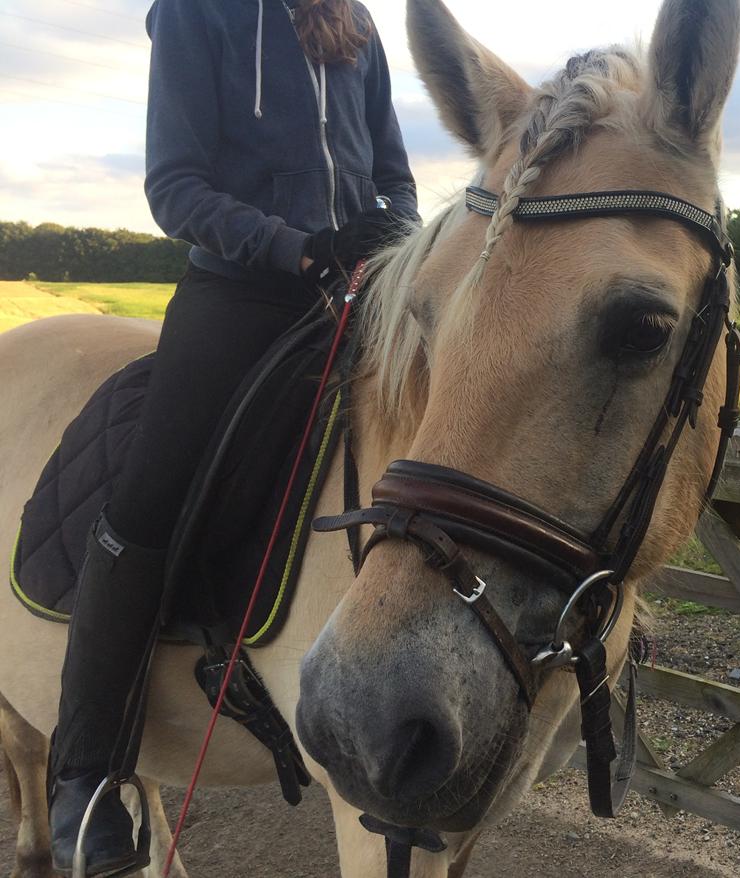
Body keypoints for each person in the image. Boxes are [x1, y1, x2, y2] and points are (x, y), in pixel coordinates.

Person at [49, 0, 419, 872]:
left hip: (355, 288)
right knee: (147, 499)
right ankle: (86, 775)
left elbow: (395, 173)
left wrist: (388, 237)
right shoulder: (194, 13)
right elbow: (174, 185)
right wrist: (297, 247)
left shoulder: (356, 20)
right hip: (240, 292)